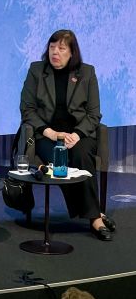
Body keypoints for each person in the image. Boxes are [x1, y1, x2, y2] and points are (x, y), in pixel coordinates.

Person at [20, 29, 115, 241]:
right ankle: (95, 216)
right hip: (46, 134)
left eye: (61, 48)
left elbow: (93, 114)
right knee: (60, 159)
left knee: (81, 155)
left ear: (72, 53)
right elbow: (27, 109)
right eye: (52, 47)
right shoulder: (36, 71)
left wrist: (77, 135)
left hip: (78, 134)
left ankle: (93, 216)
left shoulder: (87, 73)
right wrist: (50, 133)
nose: (55, 52)